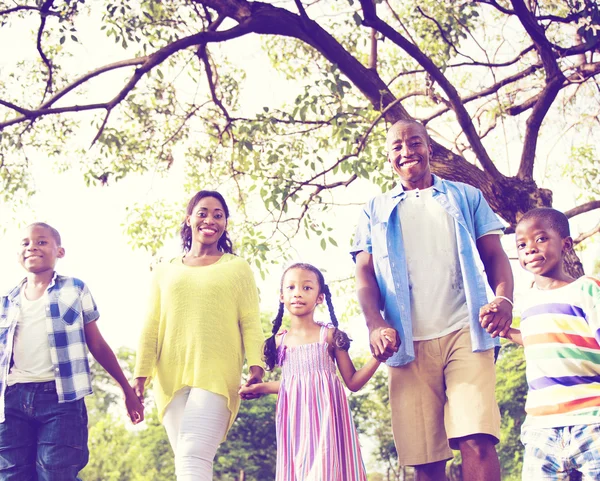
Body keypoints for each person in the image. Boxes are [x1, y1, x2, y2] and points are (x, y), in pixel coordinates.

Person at [351, 119, 514, 481]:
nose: (407, 151)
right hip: (405, 345)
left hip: (466, 332)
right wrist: (376, 323)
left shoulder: (466, 196)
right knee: (425, 460)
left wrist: (504, 299)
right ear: (389, 156)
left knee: (477, 438)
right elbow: (364, 274)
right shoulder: (374, 210)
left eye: (415, 143)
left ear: (429, 148)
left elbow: (494, 256)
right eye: (397, 146)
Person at [133, 190, 265, 481]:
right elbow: (151, 325)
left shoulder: (237, 268)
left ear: (226, 224)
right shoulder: (163, 270)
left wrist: (257, 368)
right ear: (189, 218)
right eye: (203, 212)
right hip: (169, 378)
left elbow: (251, 321)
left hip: (217, 373)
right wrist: (139, 378)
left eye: (218, 215)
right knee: (187, 462)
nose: (210, 219)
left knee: (192, 456)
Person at [0, 222, 144, 481]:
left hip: (61, 401)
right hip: (12, 401)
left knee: (55, 474)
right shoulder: (6, 300)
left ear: (60, 252)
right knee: (11, 475)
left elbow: (97, 344)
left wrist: (126, 389)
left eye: (41, 241)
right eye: (25, 243)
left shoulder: (75, 289)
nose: (32, 246)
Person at [239, 263, 388, 481]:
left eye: (306, 288)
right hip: (296, 427)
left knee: (326, 472)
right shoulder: (277, 342)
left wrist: (378, 357)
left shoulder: (330, 336)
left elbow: (353, 383)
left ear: (320, 297)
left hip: (328, 424)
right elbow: (293, 383)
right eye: (290, 288)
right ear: (281, 296)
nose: (297, 293)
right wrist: (260, 387)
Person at [481, 207, 600, 480]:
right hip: (541, 428)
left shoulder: (587, 289)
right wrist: (502, 330)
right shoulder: (527, 300)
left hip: (591, 420)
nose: (530, 249)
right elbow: (538, 339)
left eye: (541, 239)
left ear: (566, 244)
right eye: (522, 244)